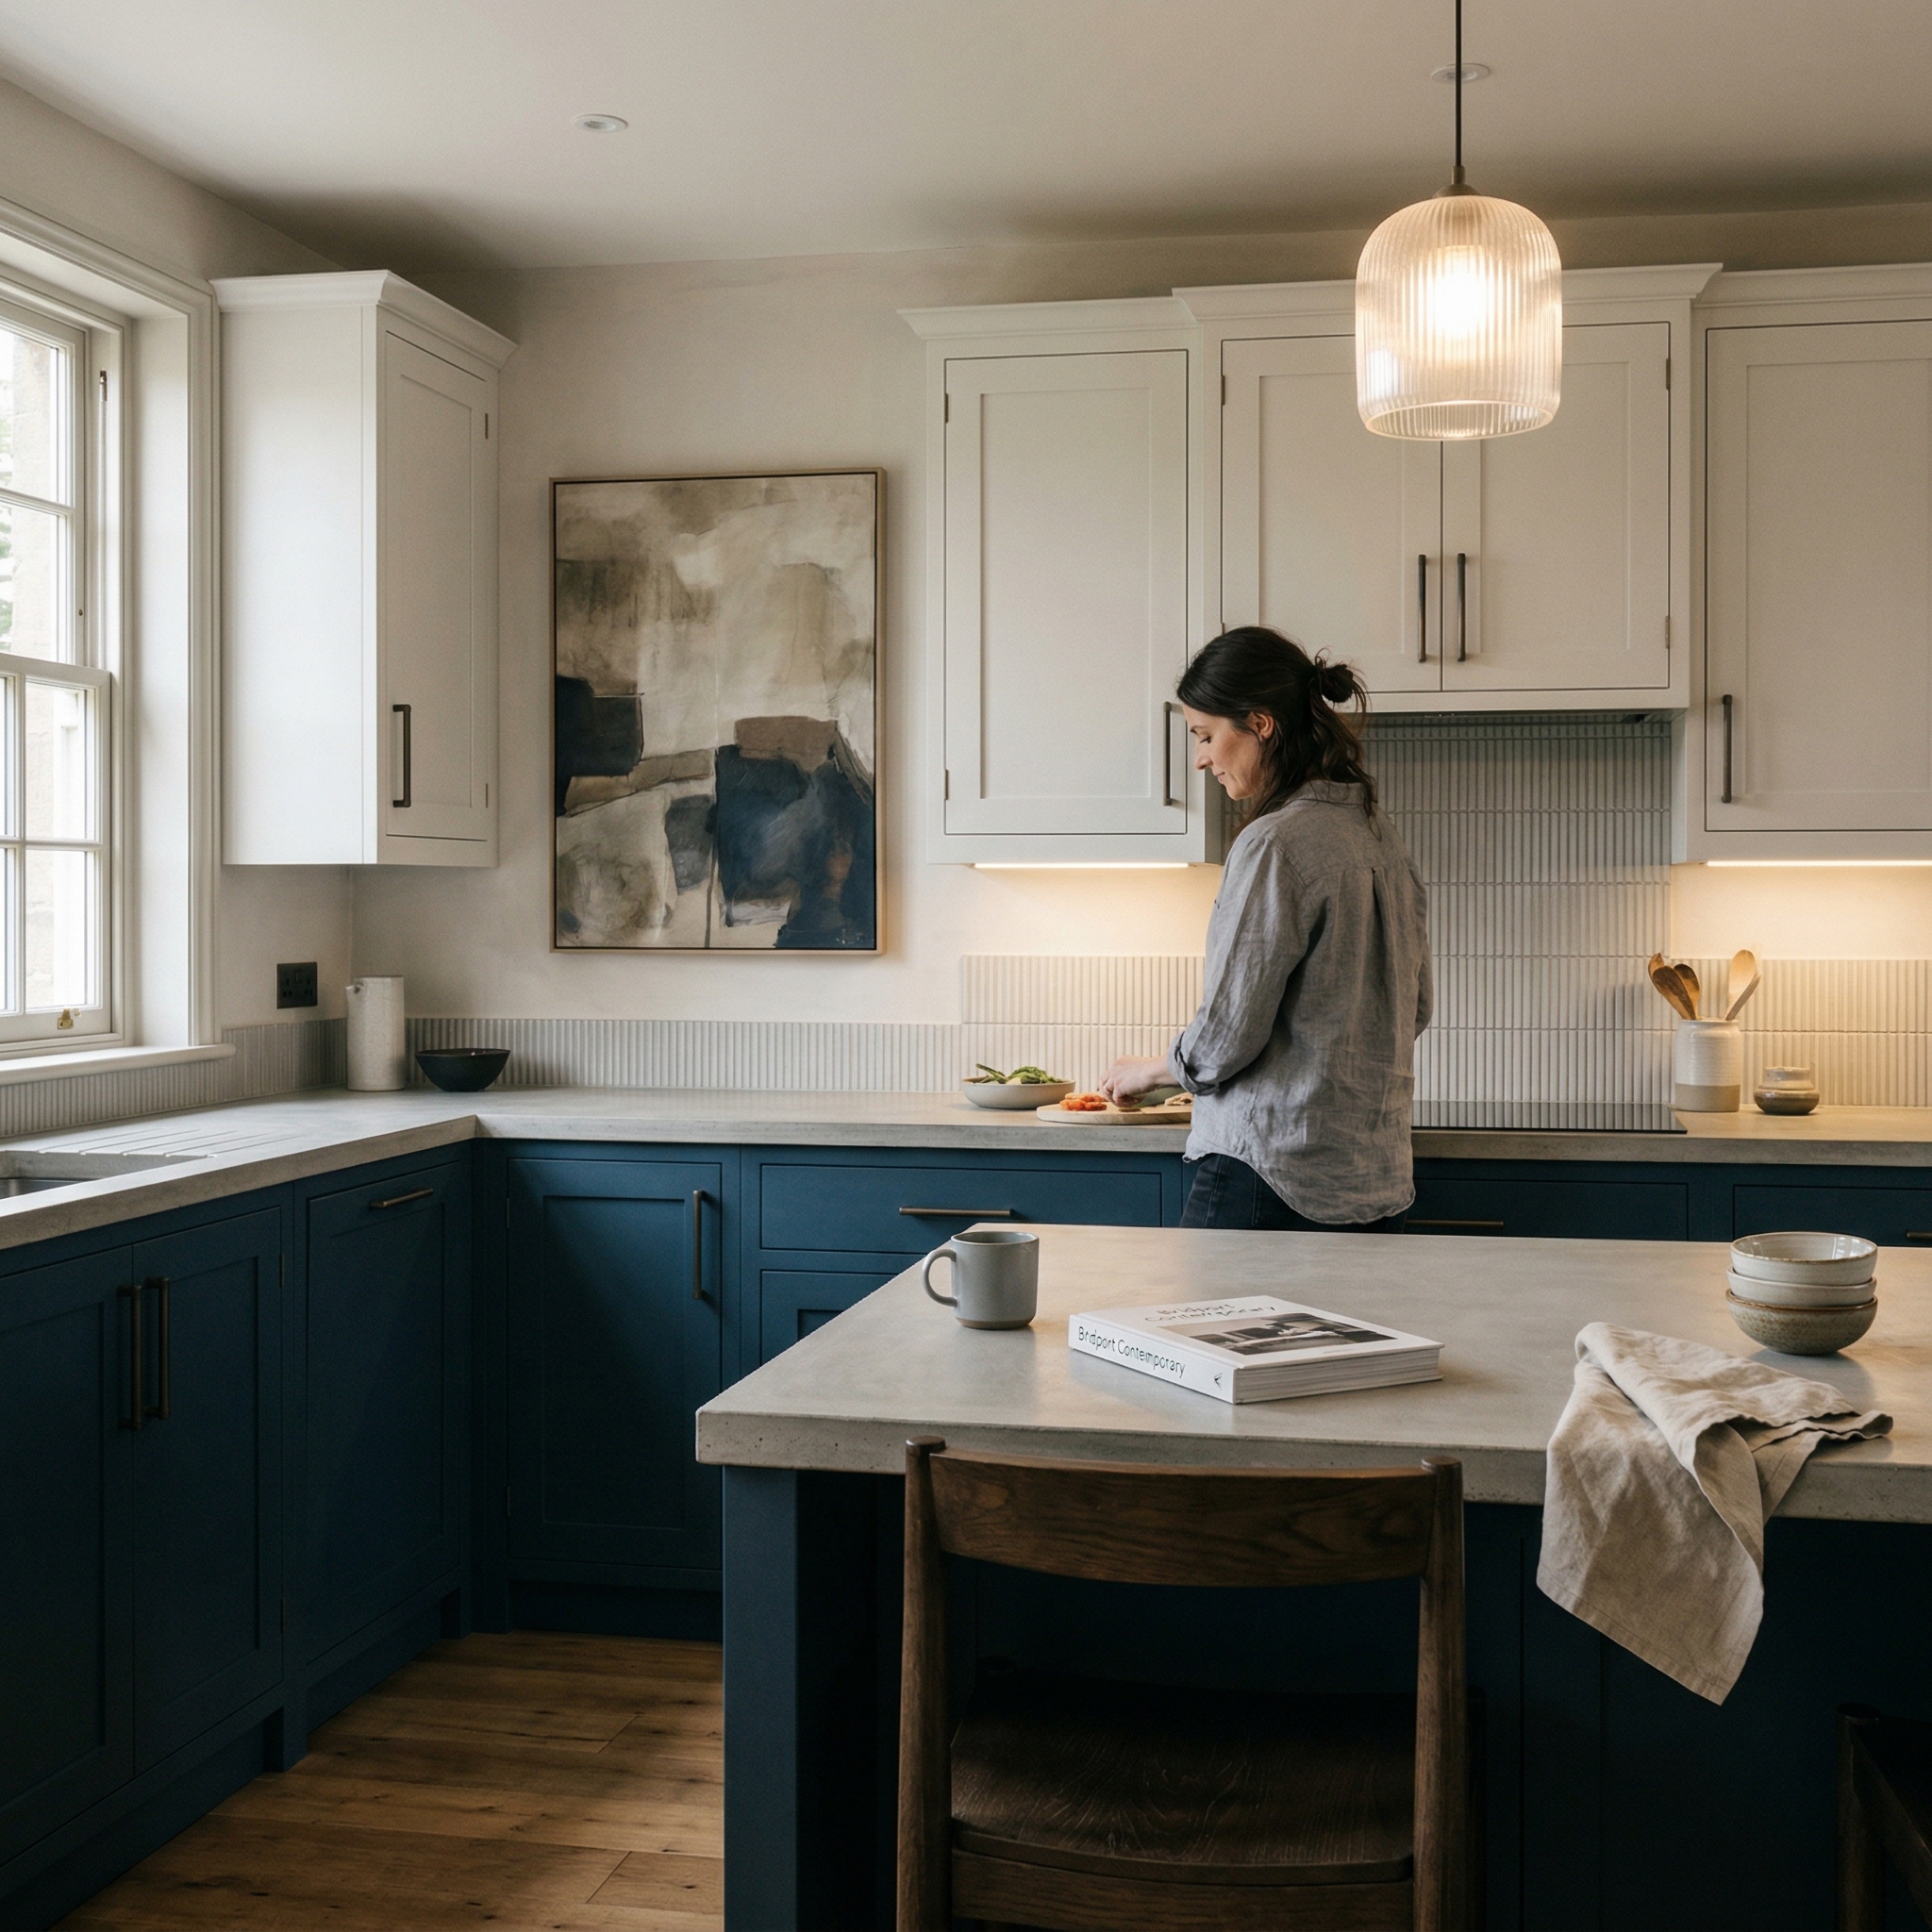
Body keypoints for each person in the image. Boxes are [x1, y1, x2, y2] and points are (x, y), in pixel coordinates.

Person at [1099, 626, 1431, 1232]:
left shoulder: (1275, 843)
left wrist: (1149, 1070)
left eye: (1205, 736)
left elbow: (1226, 1036)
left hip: (1265, 1177)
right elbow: (1417, 1008)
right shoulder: (1380, 834)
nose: (1199, 758)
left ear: (1260, 724)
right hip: (1370, 1183)